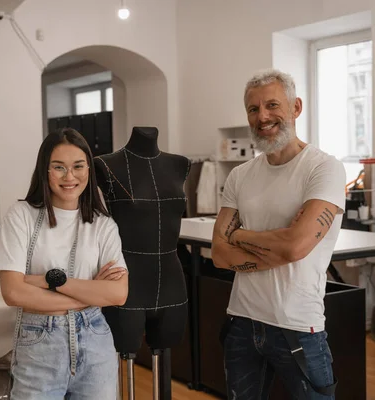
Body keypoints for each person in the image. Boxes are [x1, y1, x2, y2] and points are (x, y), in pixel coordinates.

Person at [211, 69, 346, 400]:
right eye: (253, 109)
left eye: (272, 105)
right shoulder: (241, 175)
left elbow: (297, 245)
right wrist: (280, 245)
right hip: (241, 321)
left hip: (298, 327)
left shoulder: (323, 168)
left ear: (296, 107)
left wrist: (239, 235)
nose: (263, 117)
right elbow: (218, 252)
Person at [0, 127, 129, 400]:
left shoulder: (103, 225)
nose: (69, 177)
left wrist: (49, 281)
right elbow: (13, 292)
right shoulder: (21, 216)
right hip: (39, 343)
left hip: (96, 342)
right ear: (45, 170)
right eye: (59, 167)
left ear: (88, 169)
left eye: (78, 166)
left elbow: (118, 294)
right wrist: (89, 295)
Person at [94, 126, 190, 397]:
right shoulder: (105, 164)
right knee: (125, 357)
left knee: (165, 354)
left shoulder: (180, 164)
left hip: (172, 281)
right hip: (127, 281)